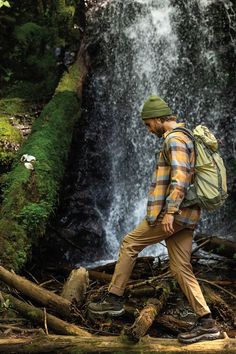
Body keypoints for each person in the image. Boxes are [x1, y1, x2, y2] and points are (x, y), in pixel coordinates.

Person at [88, 95, 222, 344]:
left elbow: (180, 177)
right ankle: (207, 322)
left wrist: (170, 211)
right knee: (181, 267)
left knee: (130, 243)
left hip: (174, 214)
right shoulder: (185, 136)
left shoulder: (174, 139)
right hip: (188, 213)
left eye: (148, 123)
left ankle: (113, 299)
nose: (148, 129)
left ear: (160, 118)